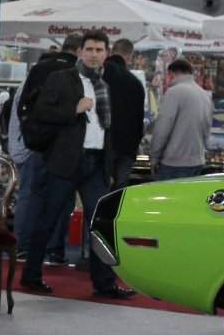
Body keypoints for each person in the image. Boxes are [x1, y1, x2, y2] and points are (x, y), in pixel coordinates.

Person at [19, 30, 135, 299]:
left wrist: (108, 168)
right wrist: (74, 109)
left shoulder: (105, 85)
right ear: (81, 51)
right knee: (48, 219)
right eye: (89, 49)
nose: (94, 55)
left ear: (107, 54)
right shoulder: (62, 78)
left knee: (101, 223)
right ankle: (31, 275)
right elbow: (40, 112)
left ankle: (104, 283)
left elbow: (107, 130)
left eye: (99, 50)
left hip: (96, 163)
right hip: (66, 161)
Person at [10, 33, 81, 266]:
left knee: (30, 194)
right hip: (65, 145)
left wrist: (30, 135)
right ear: (79, 51)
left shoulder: (38, 70)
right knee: (62, 198)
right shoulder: (77, 73)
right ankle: (55, 250)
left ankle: (22, 247)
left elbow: (22, 107)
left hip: (34, 143)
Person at [147, 59, 213, 180]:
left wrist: (154, 157)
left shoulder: (174, 92)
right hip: (197, 160)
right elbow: (207, 127)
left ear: (171, 74)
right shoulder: (204, 94)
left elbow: (163, 127)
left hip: (174, 162)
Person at [104, 38, 147, 188]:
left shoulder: (101, 73)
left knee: (100, 190)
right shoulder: (136, 83)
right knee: (118, 193)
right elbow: (139, 119)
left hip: (103, 145)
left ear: (110, 52)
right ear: (129, 56)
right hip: (126, 147)